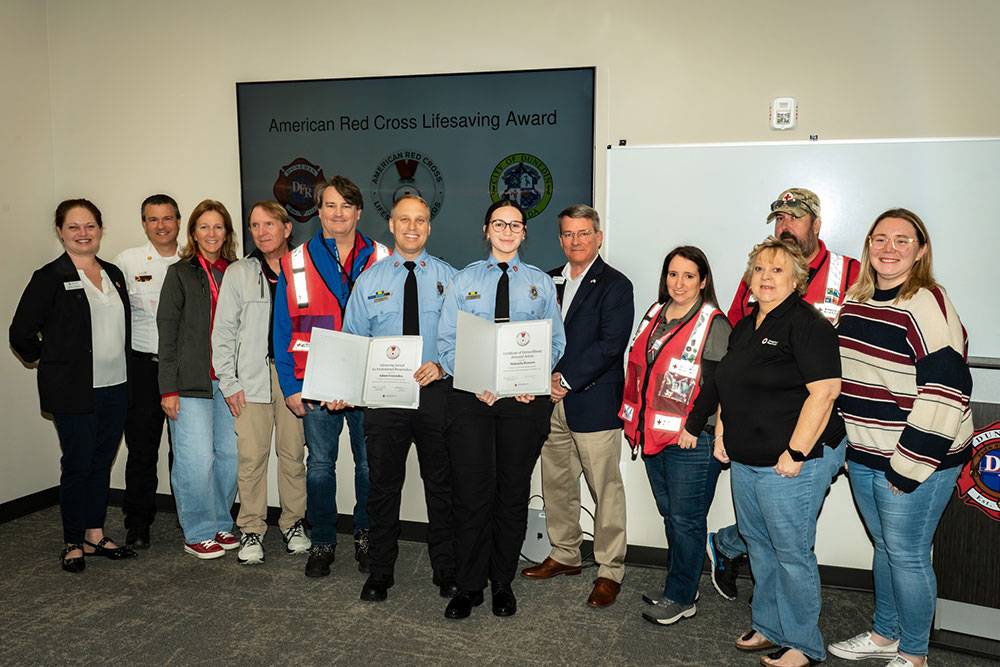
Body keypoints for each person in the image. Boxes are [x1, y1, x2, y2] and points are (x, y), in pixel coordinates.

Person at [829, 209, 973, 667]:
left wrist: (907, 465)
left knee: (908, 555)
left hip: (918, 457)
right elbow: (850, 380)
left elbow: (948, 391)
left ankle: (914, 654)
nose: (888, 249)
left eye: (902, 241)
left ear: (921, 251)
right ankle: (884, 634)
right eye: (880, 239)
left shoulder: (927, 304)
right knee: (886, 548)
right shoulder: (857, 300)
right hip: (868, 452)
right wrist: (854, 445)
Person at [709, 187, 861, 601]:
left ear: (816, 224)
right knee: (770, 530)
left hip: (831, 419)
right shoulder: (757, 283)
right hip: (765, 427)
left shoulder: (851, 273)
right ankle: (771, 616)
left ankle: (792, 628)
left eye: (794, 218)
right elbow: (742, 356)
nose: (785, 226)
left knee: (788, 535)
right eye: (779, 219)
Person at [714, 237, 845, 667]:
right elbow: (729, 384)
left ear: (797, 279)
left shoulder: (808, 325)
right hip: (748, 458)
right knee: (759, 545)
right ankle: (769, 626)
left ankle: (804, 644)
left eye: (777, 270)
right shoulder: (747, 324)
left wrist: (796, 451)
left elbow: (825, 393)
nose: (766, 277)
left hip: (791, 461)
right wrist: (721, 433)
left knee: (790, 553)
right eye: (759, 269)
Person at [437, 199, 566, 620]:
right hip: (472, 401)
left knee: (511, 495)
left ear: (525, 233)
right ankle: (468, 586)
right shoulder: (463, 280)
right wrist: (478, 382)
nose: (507, 231)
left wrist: (528, 380)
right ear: (486, 230)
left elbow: (555, 342)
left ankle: (502, 583)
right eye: (499, 224)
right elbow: (446, 342)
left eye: (516, 225)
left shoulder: (541, 284)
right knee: (472, 495)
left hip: (523, 404)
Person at [340, 194, 458, 601]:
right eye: (404, 220)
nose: (412, 227)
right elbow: (354, 342)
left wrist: (444, 366)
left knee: (441, 486)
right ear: (390, 225)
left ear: (429, 226)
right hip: (385, 399)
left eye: (420, 220)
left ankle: (446, 569)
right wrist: (343, 389)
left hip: (435, 395)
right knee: (383, 488)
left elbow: (463, 338)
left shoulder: (450, 278)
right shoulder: (370, 280)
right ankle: (380, 572)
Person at [10, 198, 137, 571]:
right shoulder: (49, 277)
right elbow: (20, 333)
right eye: (74, 227)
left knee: (100, 463)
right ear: (61, 232)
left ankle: (94, 534)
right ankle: (72, 541)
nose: (83, 234)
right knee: (78, 464)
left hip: (116, 385)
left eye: (90, 226)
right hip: (74, 391)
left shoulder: (113, 273)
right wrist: (50, 361)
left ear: (100, 229)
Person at [273, 175, 391, 577]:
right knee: (320, 466)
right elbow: (282, 329)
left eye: (346, 206)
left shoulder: (383, 257)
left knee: (367, 466)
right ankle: (322, 540)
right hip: (313, 381)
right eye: (330, 205)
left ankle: (364, 534)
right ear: (318, 210)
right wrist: (290, 387)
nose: (338, 213)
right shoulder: (295, 261)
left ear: (358, 212)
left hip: (367, 381)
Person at [519, 205, 634, 609]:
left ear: (598, 237)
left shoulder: (616, 285)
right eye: (568, 234)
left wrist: (563, 380)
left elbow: (610, 345)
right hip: (548, 402)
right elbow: (530, 335)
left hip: (593, 402)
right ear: (560, 238)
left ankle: (609, 570)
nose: (576, 241)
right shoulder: (544, 281)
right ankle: (566, 553)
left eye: (584, 233)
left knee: (605, 490)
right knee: (557, 483)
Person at [617, 246, 730, 626]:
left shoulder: (713, 322)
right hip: (653, 435)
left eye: (688, 276)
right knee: (673, 515)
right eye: (672, 274)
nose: (678, 283)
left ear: (703, 281)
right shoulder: (655, 312)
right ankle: (683, 584)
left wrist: (693, 428)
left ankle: (680, 596)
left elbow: (717, 384)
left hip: (690, 441)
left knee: (686, 520)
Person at [211, 201, 310, 565]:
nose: (262, 231)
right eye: (254, 225)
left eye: (270, 224)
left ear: (287, 228)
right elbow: (222, 332)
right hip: (250, 379)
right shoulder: (239, 272)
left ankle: (293, 523)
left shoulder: (304, 269)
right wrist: (229, 382)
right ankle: (251, 528)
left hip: (293, 378)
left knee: (292, 456)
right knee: (252, 458)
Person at [158, 199, 239, 559]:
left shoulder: (237, 271)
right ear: (192, 232)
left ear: (227, 232)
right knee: (195, 459)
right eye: (204, 227)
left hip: (230, 382)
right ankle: (198, 531)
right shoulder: (180, 273)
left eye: (218, 226)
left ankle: (222, 522)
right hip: (190, 383)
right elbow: (168, 333)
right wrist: (167, 389)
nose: (211, 233)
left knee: (230, 455)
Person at [114, 194, 182, 548]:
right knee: (142, 450)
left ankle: (190, 518)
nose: (161, 225)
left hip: (184, 371)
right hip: (142, 369)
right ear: (144, 224)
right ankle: (138, 523)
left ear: (178, 221)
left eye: (167, 218)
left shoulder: (193, 258)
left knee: (185, 451)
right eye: (153, 219)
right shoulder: (127, 261)